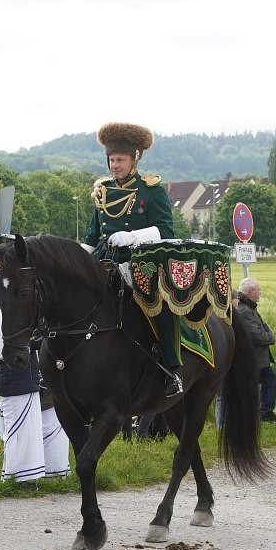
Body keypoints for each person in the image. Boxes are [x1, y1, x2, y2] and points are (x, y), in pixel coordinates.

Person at [83, 122, 182, 398]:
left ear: (134, 159)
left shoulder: (151, 190)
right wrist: (75, 260)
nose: (114, 165)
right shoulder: (102, 192)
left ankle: (171, 368)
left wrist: (133, 236)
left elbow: (165, 230)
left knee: (158, 304)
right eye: (111, 160)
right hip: (104, 263)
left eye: (120, 160)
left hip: (141, 263)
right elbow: (92, 236)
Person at [0, 299, 70, 485]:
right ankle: (20, 477)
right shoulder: (0, 305)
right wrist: (41, 337)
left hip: (24, 373)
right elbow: (10, 342)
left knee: (30, 431)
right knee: (21, 432)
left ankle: (39, 473)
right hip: (16, 372)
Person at [235, 277, 276, 424]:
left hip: (259, 358)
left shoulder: (249, 308)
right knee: (257, 385)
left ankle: (263, 413)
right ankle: (261, 414)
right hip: (253, 358)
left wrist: (266, 332)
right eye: (258, 289)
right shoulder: (245, 311)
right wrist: (271, 336)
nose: (260, 292)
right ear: (250, 292)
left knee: (268, 380)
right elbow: (257, 335)